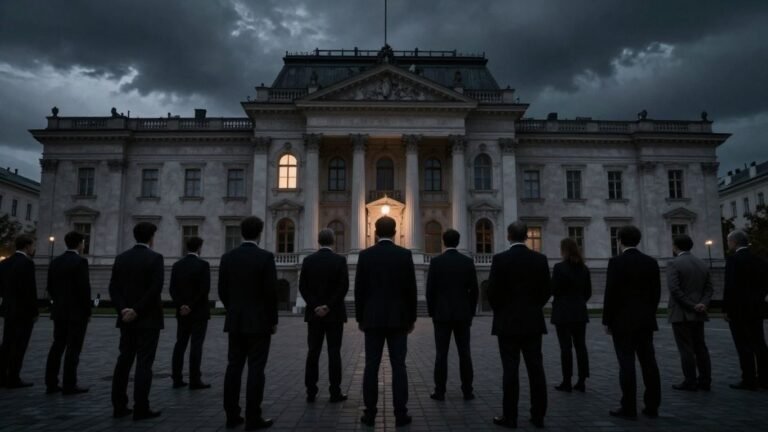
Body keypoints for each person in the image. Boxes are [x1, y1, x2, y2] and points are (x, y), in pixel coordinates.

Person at [355, 216, 417, 427]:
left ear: (375, 231)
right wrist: (411, 319)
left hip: (372, 319)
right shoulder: (404, 255)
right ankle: (401, 414)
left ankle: (369, 414)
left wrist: (360, 318)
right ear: (395, 231)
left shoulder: (365, 256)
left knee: (371, 366)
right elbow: (411, 291)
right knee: (399, 366)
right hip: (399, 319)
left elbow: (359, 291)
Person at [488, 222, 550, 429]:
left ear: (508, 236)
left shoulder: (500, 260)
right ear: (525, 237)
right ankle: (538, 415)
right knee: (536, 370)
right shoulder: (540, 259)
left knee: (510, 371)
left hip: (507, 323)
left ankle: (510, 416)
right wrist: (533, 307)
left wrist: (502, 311)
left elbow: (492, 293)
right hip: (532, 321)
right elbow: (546, 291)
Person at [220, 216, 277, 430]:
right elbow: (270, 293)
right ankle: (253, 417)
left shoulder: (228, 258)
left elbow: (223, 291)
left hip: (235, 321)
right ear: (260, 233)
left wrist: (234, 310)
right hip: (259, 323)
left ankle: (231, 415)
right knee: (256, 369)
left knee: (233, 367)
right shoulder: (265, 258)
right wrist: (272, 320)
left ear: (242, 232)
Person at [602, 225, 661, 420]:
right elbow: (656, 294)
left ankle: (628, 406)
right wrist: (649, 314)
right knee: (649, 363)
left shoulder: (616, 263)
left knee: (626, 364)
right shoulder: (651, 262)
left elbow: (611, 294)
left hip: (622, 321)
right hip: (645, 320)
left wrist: (607, 321)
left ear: (619, 241)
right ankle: (652, 405)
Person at [109, 222, 165, 421]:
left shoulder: (121, 258)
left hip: (126, 319)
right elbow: (155, 289)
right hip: (148, 319)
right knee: (144, 364)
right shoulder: (155, 258)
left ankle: (118, 405)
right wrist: (137, 310)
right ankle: (141, 407)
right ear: (151, 238)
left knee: (123, 361)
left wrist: (124, 309)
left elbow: (113, 288)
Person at [425, 228, 478, 401]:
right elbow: (475, 291)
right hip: (463, 315)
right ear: (458, 241)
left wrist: (433, 313)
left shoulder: (436, 262)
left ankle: (440, 391)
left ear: (443, 241)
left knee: (441, 354)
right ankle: (467, 391)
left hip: (442, 315)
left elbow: (430, 292)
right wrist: (470, 312)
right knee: (465, 354)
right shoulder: (467, 262)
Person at [298, 228, 349, 403]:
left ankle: (311, 391)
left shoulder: (308, 260)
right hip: (334, 315)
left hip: (314, 316)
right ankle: (335, 392)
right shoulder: (340, 261)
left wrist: (316, 306)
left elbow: (302, 287)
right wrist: (328, 306)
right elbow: (343, 288)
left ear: (318, 241)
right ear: (333, 241)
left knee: (313, 352)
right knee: (334, 353)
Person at [45, 231, 92, 395]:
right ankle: (69, 383)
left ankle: (51, 383)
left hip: (59, 311)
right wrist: (88, 310)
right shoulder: (80, 262)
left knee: (57, 346)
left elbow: (50, 287)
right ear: (80, 244)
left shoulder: (55, 262)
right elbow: (84, 290)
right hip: (76, 313)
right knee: (73, 348)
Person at [723, 229, 768, 390]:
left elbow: (730, 287)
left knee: (743, 345)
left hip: (739, 310)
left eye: (728, 241)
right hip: (756, 308)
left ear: (734, 242)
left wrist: (727, 309)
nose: (728, 244)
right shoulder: (760, 260)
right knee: (759, 343)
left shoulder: (733, 260)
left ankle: (748, 378)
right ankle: (764, 378)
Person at [666, 234, 713, 392]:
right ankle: (705, 380)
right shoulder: (702, 263)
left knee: (686, 349)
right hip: (699, 311)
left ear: (675, 247)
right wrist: (702, 304)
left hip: (682, 312)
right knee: (701, 347)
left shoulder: (673, 263)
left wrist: (691, 305)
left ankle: (690, 380)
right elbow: (709, 288)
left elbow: (674, 289)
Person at [169, 236, 211, 390]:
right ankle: (194, 379)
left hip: (182, 312)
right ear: (199, 247)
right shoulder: (203, 265)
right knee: (196, 345)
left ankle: (177, 378)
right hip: (198, 312)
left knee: (180, 344)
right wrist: (191, 306)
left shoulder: (177, 265)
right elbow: (204, 290)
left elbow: (172, 289)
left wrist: (182, 305)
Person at [551, 237, 591, 393]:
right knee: (581, 346)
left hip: (563, 312)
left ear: (564, 251)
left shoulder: (559, 268)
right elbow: (588, 292)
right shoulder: (584, 268)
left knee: (565, 348)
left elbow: (553, 289)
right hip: (579, 311)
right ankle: (582, 380)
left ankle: (566, 381)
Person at [0, 234, 38, 388]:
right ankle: (14, 377)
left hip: (9, 309)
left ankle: (2, 375)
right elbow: (30, 290)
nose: (34, 249)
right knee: (19, 345)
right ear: (27, 246)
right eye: (33, 246)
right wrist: (34, 311)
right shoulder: (27, 263)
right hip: (23, 312)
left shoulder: (5, 263)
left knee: (7, 344)